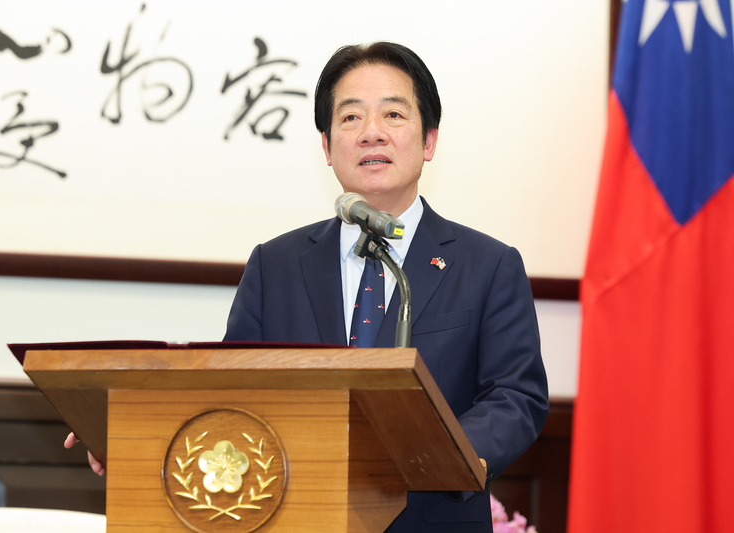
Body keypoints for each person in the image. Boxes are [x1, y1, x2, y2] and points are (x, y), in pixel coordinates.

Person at [68, 42, 548, 532]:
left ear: (428, 141)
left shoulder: (487, 265)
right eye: (351, 117)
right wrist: (134, 435)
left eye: (393, 114)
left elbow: (515, 395)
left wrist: (446, 452)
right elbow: (230, 393)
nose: (371, 132)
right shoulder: (274, 265)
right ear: (327, 147)